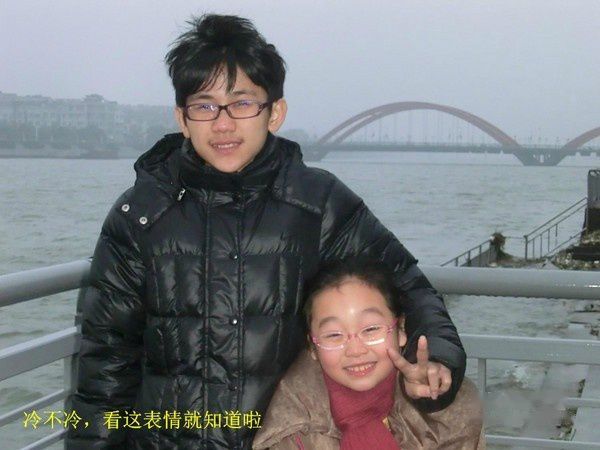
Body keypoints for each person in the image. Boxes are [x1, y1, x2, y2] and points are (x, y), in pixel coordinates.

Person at [66, 14, 466, 450]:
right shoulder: (141, 215)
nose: (223, 124)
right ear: (182, 118)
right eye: (204, 106)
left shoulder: (316, 204)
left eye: (242, 104)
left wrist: (435, 361)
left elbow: (410, 287)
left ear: (275, 112)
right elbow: (105, 365)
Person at [253, 259, 485, 450]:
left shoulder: (448, 409)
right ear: (312, 347)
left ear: (401, 329)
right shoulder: (292, 426)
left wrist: (437, 405)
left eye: (371, 329)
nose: (356, 350)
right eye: (334, 335)